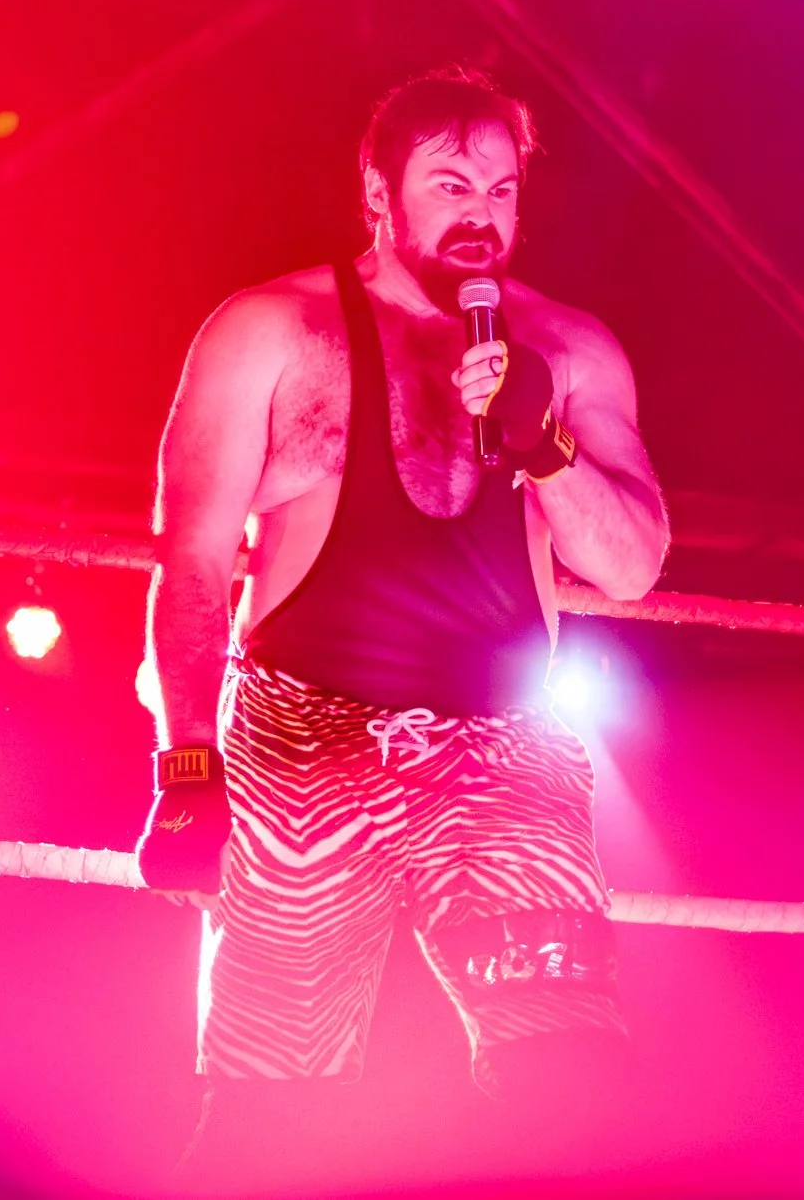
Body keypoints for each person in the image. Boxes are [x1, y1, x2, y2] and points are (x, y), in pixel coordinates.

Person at [134, 66, 669, 1170]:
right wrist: (185, 763)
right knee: (267, 1114)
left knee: (573, 1082)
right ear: (379, 194)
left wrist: (543, 444)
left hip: (506, 748)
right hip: (302, 737)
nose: (480, 213)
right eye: (449, 183)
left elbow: (630, 564)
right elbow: (188, 560)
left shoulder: (569, 350)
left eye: (502, 189)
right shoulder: (272, 330)